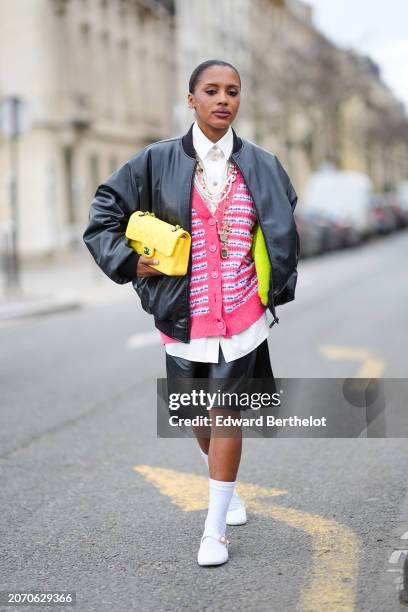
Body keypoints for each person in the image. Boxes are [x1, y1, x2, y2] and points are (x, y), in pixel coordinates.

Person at [83, 59, 299, 567]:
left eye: (233, 91)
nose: (223, 99)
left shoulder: (264, 163)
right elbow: (103, 215)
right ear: (191, 99)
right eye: (212, 91)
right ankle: (228, 489)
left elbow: (284, 220)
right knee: (195, 414)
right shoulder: (155, 161)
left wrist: (275, 286)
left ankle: (215, 529)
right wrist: (130, 262)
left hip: (242, 311)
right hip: (182, 314)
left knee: (225, 411)